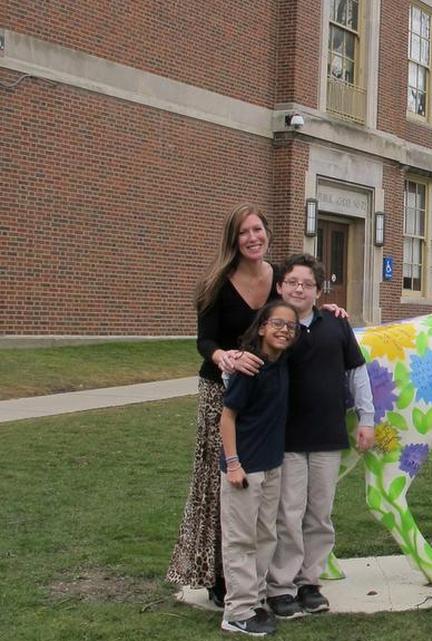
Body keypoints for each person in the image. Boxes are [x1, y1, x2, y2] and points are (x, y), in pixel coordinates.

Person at [169, 204, 280, 607]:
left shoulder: (280, 278)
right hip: (222, 393)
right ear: (233, 240)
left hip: (266, 396)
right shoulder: (217, 283)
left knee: (261, 482)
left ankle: (259, 571)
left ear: (267, 233)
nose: (252, 238)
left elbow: (303, 313)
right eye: (243, 233)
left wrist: (332, 312)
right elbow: (204, 341)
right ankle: (217, 573)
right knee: (222, 481)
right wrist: (225, 357)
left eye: (257, 230)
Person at [265, 254, 375, 618]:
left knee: (319, 514)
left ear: (318, 290)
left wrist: (367, 418)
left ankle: (309, 583)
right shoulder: (274, 327)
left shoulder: (336, 324)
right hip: (287, 437)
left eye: (307, 284)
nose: (299, 288)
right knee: (288, 514)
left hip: (328, 435)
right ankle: (280, 587)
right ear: (280, 287)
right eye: (292, 282)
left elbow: (356, 371)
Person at [218, 300, 300, 635]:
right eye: (277, 324)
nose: (284, 330)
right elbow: (227, 417)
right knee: (241, 539)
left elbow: (314, 322)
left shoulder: (281, 363)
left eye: (290, 327)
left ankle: (254, 601)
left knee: (266, 535)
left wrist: (334, 311)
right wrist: (234, 465)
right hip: (245, 468)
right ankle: (236, 612)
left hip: (271, 465)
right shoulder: (249, 368)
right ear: (262, 327)